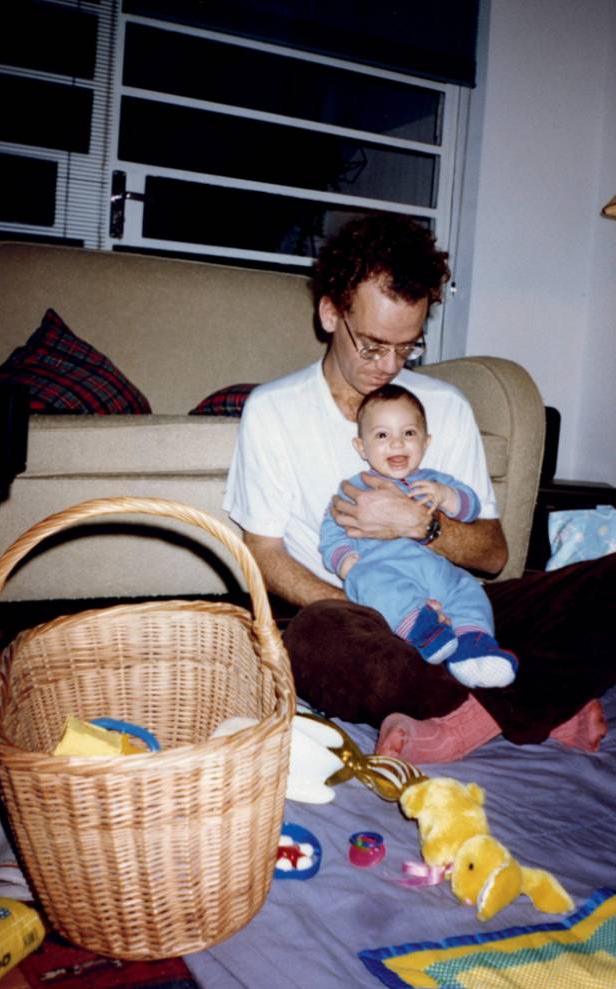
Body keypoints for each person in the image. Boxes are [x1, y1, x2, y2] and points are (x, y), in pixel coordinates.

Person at [224, 214, 613, 763]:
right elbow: (262, 553)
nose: (389, 367)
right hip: (357, 615)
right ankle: (536, 700)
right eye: (373, 346)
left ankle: (474, 717)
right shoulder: (273, 410)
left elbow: (494, 553)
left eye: (407, 348)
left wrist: (420, 525)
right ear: (331, 312)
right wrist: (387, 611)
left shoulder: (442, 408)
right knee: (315, 641)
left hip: (459, 603)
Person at [319, 383, 518, 689]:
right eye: (382, 435)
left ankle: (473, 647)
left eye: (409, 434)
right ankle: (424, 630)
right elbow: (332, 531)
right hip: (386, 568)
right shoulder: (355, 489)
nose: (397, 444)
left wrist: (449, 496)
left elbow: (471, 507)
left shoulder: (435, 482)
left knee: (469, 591)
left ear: (426, 442)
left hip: (438, 572)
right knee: (369, 582)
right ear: (361, 447)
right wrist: (345, 560)